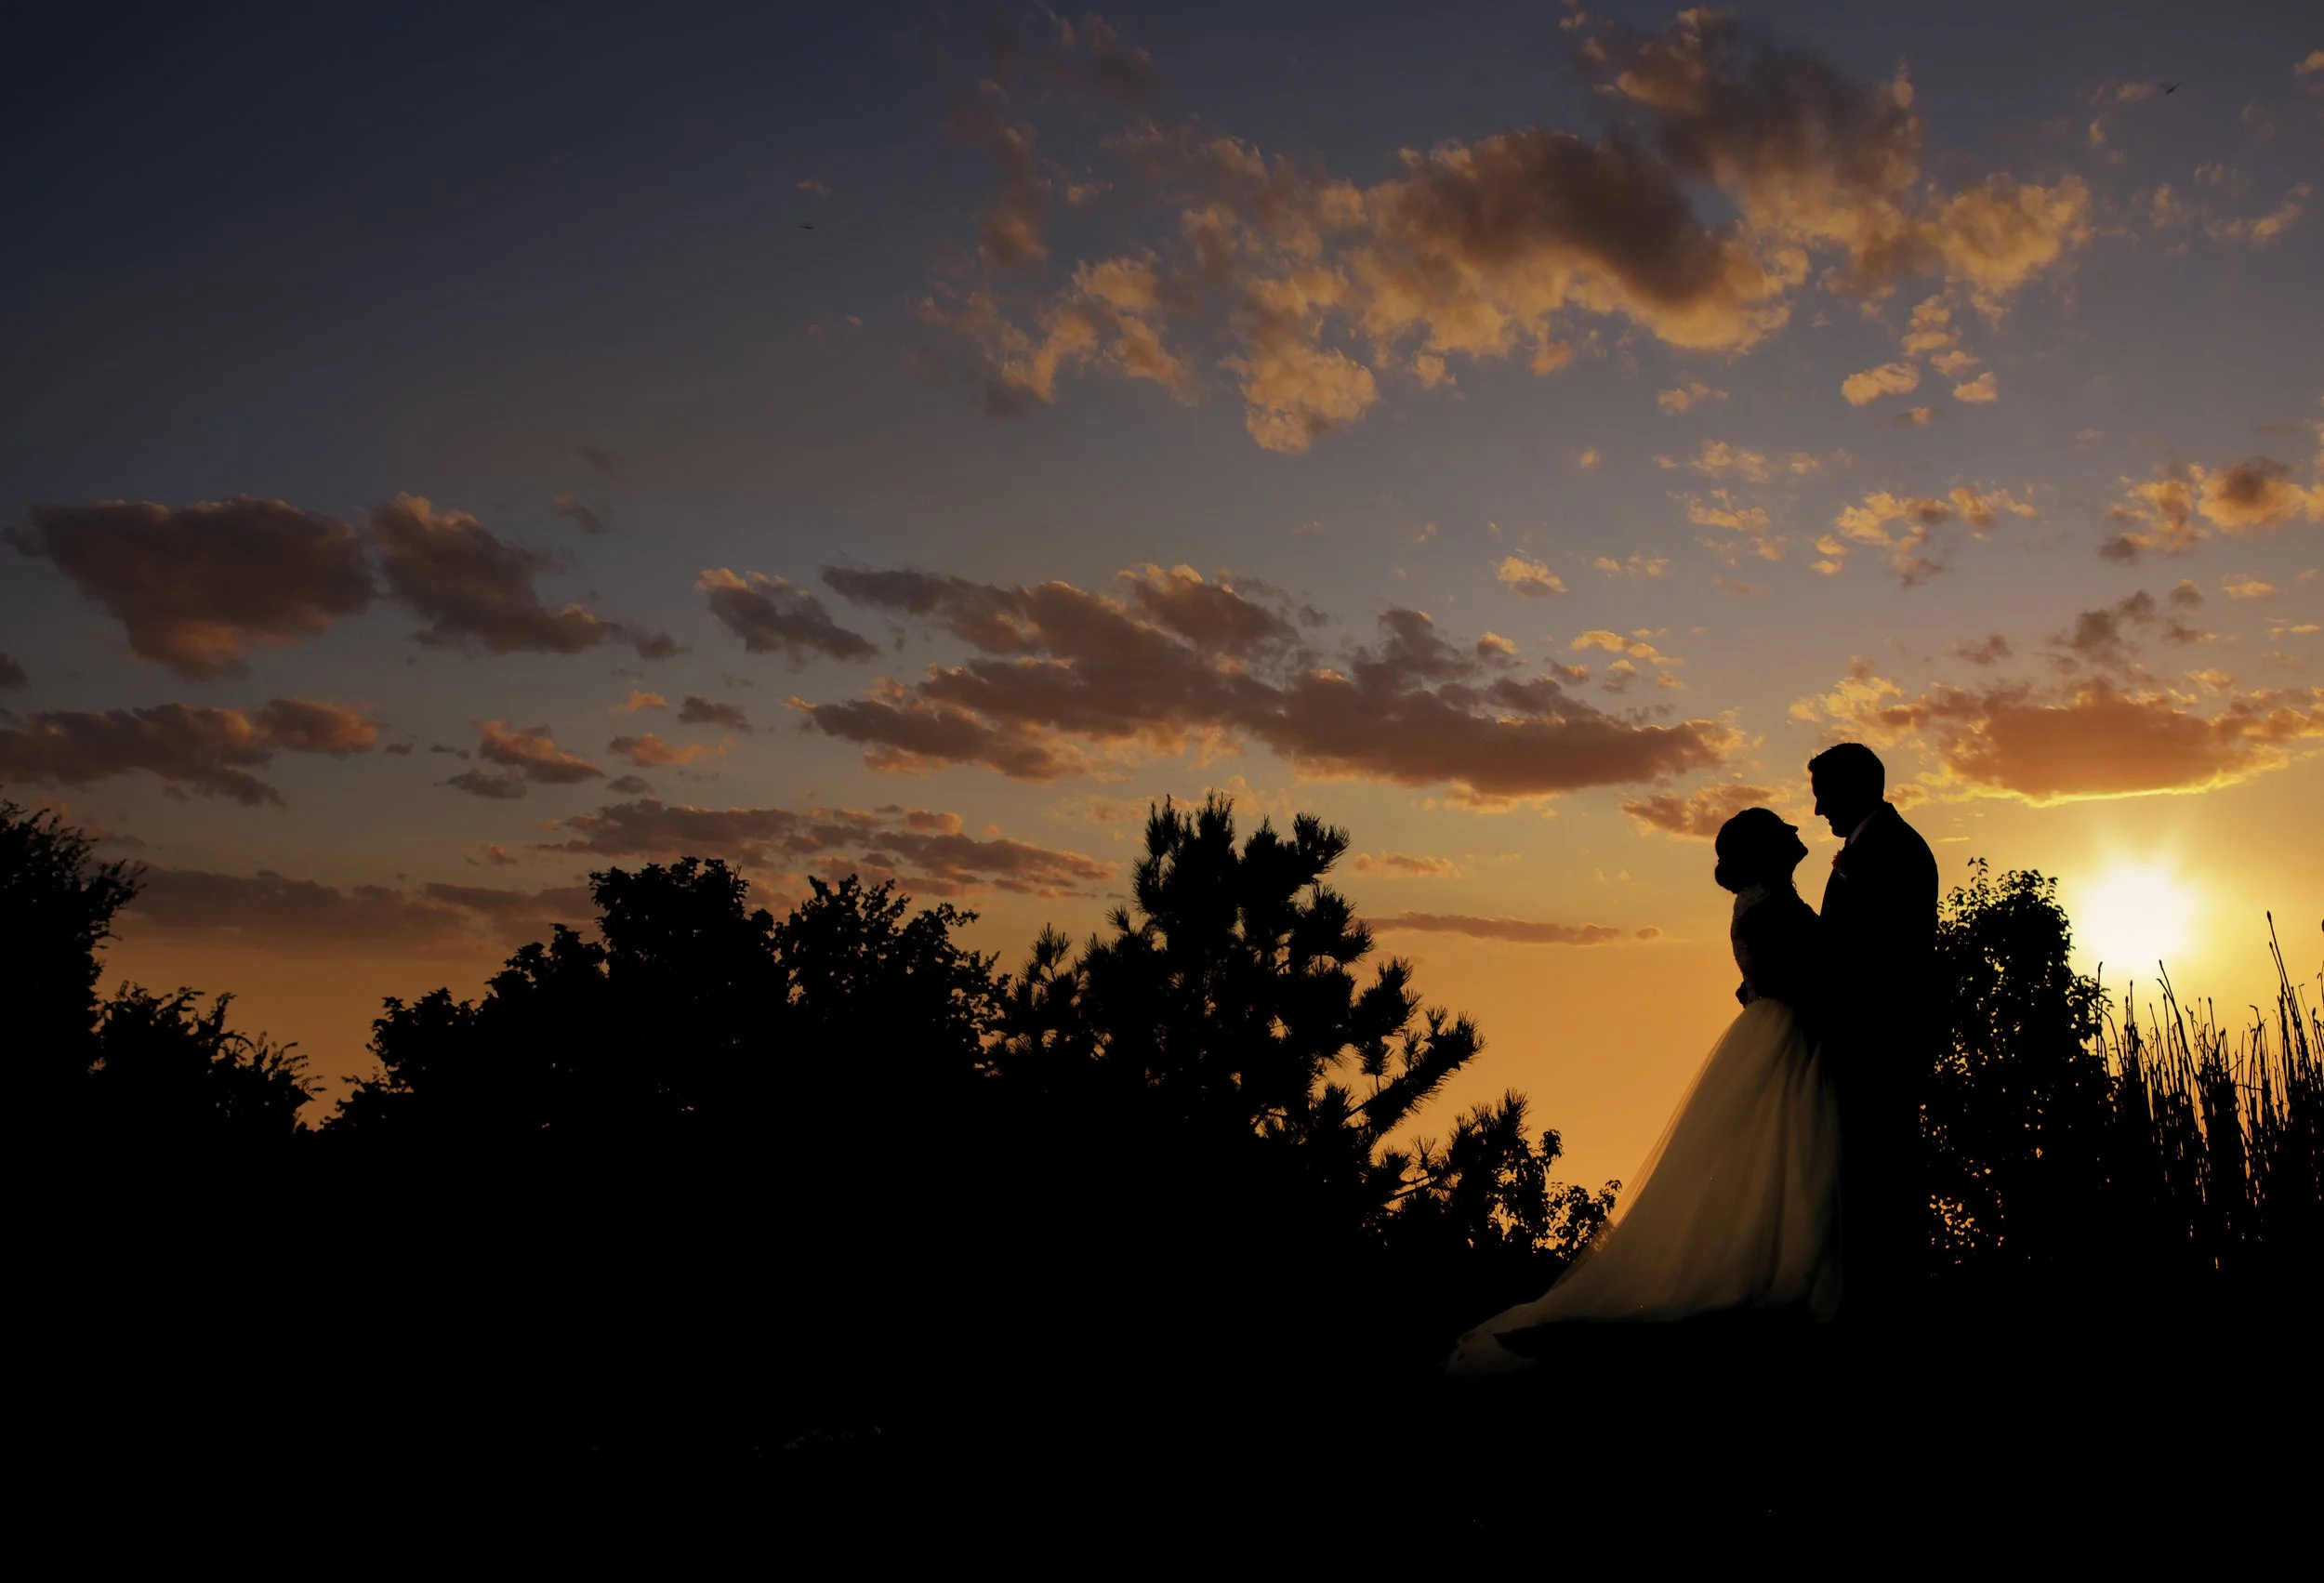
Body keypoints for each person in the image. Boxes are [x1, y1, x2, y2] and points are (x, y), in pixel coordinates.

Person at [1446, 807, 1842, 1371]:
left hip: (1777, 1034)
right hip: (1787, 1039)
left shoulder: (1765, 901)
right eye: (1783, 830)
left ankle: (1786, 1271)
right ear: (1764, 848)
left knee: (1780, 1158)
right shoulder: (1768, 908)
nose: (1798, 832)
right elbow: (1787, 976)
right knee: (1786, 1152)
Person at [1807, 742, 1938, 1321]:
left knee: (1879, 1180)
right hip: (1867, 1044)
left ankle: (1884, 1308)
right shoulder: (1874, 846)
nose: (1817, 812)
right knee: (1863, 1179)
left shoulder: (1893, 851)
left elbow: (1874, 958)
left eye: (1823, 796)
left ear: (1854, 789)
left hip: (1877, 1047)